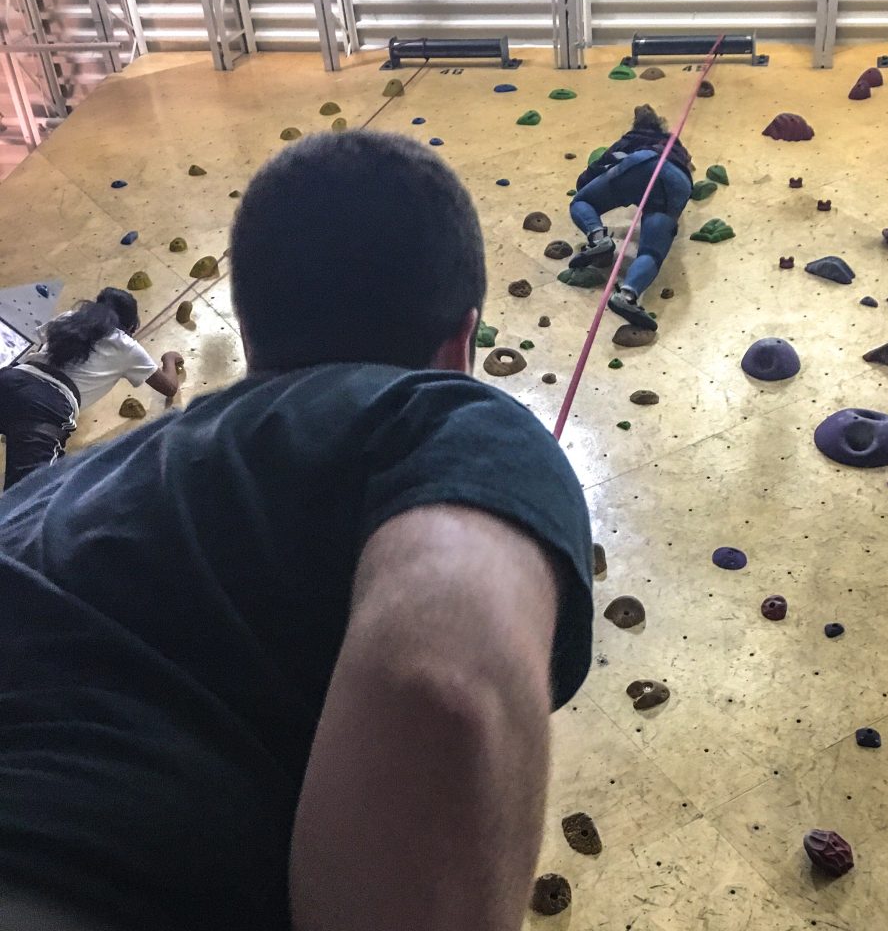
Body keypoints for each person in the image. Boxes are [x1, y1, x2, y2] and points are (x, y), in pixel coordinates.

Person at [0, 130, 594, 931]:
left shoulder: (37, 502)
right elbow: (444, 692)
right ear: (461, 340)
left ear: (249, 334)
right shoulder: (432, 416)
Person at [0, 288, 182, 489]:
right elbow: (169, 387)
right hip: (46, 409)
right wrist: (169, 358)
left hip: (12, 378)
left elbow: (45, 347)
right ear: (130, 326)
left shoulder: (69, 319)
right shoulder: (126, 345)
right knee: (27, 498)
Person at [568, 103, 694, 332]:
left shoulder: (634, 137)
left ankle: (599, 239)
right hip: (679, 183)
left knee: (581, 202)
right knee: (651, 253)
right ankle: (627, 296)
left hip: (642, 163)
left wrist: (587, 183)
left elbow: (604, 164)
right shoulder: (676, 145)